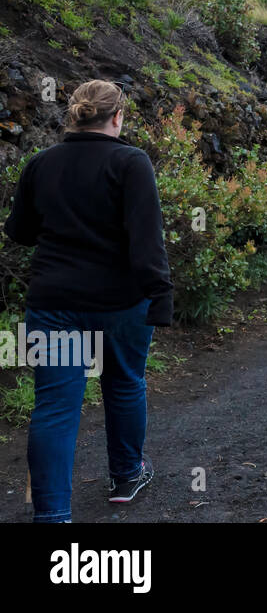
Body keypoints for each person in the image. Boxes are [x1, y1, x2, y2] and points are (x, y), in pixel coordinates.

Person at [3, 80, 173, 522]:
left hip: (53, 304)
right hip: (120, 305)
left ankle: (53, 515)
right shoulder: (131, 163)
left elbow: (18, 232)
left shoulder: (41, 163)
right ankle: (125, 477)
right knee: (123, 384)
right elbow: (146, 241)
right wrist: (161, 295)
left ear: (76, 114)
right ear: (117, 117)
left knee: (55, 408)